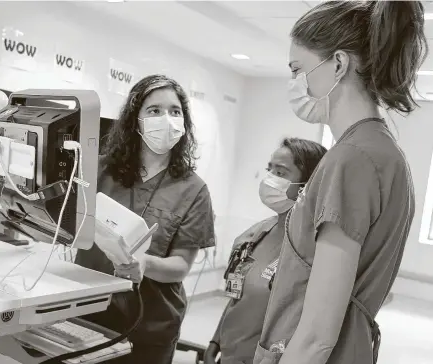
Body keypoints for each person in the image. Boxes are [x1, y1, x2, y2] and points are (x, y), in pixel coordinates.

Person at [253, 2, 429, 364]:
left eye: (297, 69)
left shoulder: (353, 158)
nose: (294, 83)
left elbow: (317, 335)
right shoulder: (379, 151)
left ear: (338, 63)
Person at [75, 74, 216, 363]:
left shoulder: (194, 189)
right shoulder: (99, 169)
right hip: (87, 311)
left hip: (149, 326)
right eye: (154, 110)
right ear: (134, 120)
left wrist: (146, 263)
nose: (167, 119)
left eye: (175, 111)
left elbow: (180, 266)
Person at [205, 138, 327, 364]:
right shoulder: (253, 236)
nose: (269, 178)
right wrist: (216, 341)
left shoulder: (317, 249)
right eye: (269, 169)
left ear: (310, 183)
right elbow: (238, 296)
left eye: (280, 172)